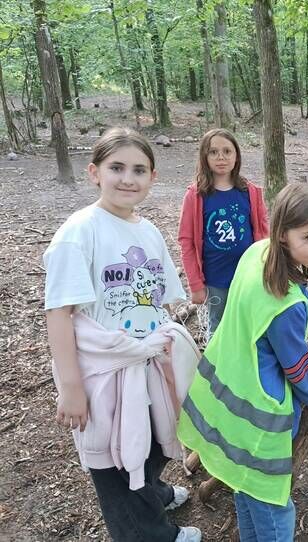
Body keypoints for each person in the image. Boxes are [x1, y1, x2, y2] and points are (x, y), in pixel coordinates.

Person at [44, 127, 202, 542]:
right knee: (115, 462)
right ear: (94, 172)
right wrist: (71, 388)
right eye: (116, 168)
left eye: (139, 170)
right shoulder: (79, 233)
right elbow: (59, 314)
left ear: (152, 177)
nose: (127, 179)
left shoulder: (147, 231)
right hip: (104, 373)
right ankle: (149, 533)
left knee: (152, 440)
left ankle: (152, 492)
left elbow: (161, 297)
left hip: (146, 362)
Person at [178, 183, 308, 541]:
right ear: (282, 235)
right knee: (272, 504)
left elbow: (300, 296)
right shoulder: (285, 306)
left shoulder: (258, 254)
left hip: (229, 399)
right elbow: (296, 367)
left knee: (245, 489)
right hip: (260, 419)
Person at [178, 128, 269, 338]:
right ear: (205, 157)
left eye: (227, 151)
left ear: (236, 156)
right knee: (218, 328)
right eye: (213, 152)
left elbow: (263, 235)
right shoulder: (196, 195)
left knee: (249, 325)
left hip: (248, 277)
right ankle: (216, 360)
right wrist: (195, 285)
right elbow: (186, 242)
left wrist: (265, 271)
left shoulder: (250, 192)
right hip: (216, 279)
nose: (221, 157)